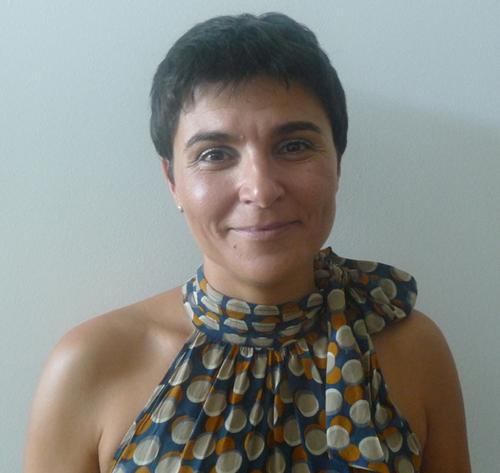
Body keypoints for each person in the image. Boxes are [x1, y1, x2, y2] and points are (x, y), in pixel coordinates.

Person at [24, 13, 471, 473]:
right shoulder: (90, 366)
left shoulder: (414, 350)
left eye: (294, 146)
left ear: (337, 163)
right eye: (214, 154)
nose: (260, 190)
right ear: (173, 181)